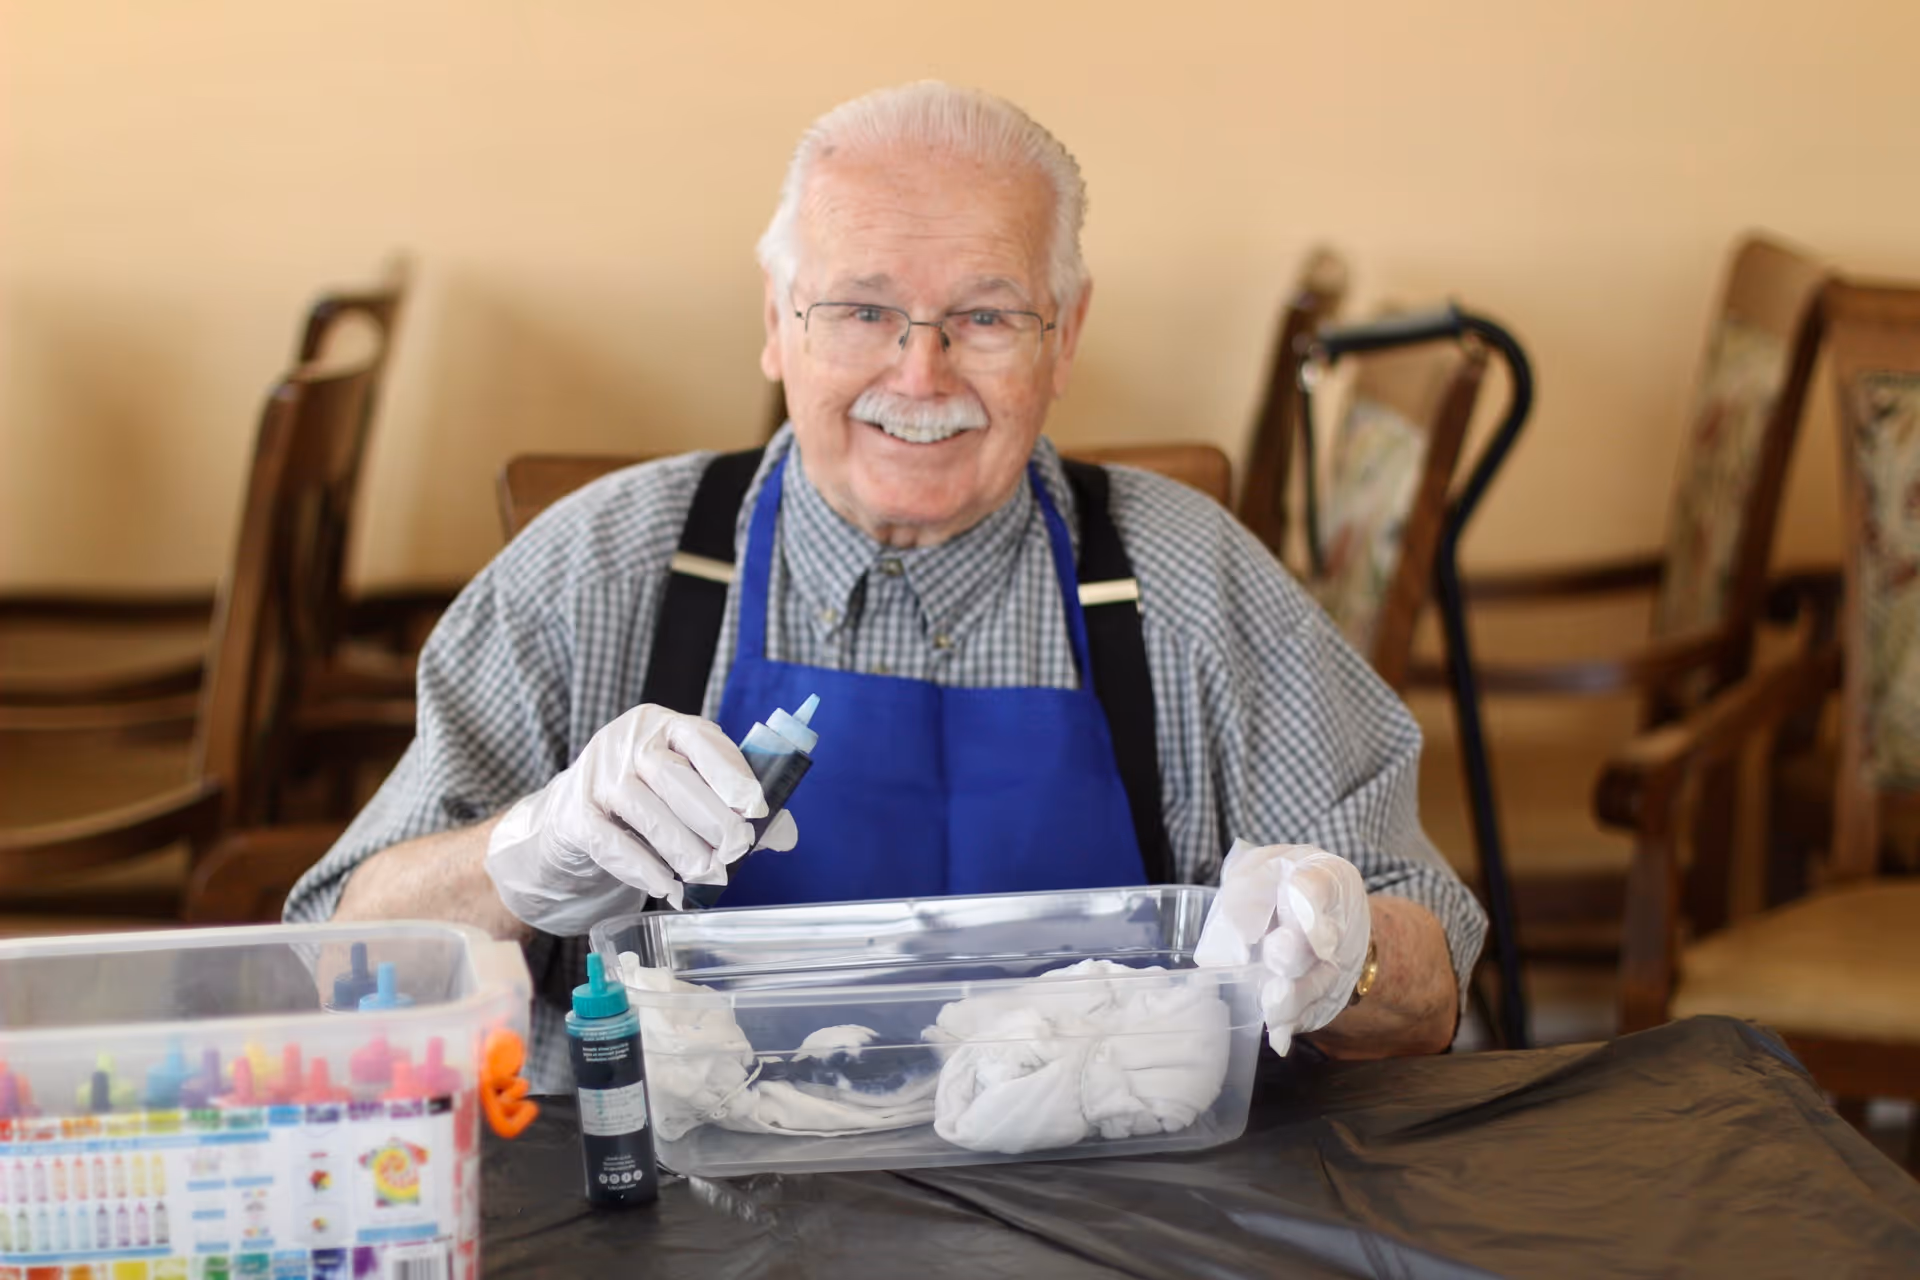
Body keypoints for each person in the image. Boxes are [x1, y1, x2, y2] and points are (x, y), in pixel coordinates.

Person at [287, 82, 1486, 1092]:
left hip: (1112, 1228)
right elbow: (336, 966)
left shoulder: (1188, 584)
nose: (921, 372)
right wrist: (516, 854)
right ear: (776, 323)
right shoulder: (599, 569)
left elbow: (1433, 995)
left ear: (1064, 336)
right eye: (863, 308)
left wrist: (1349, 959)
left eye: (984, 314)